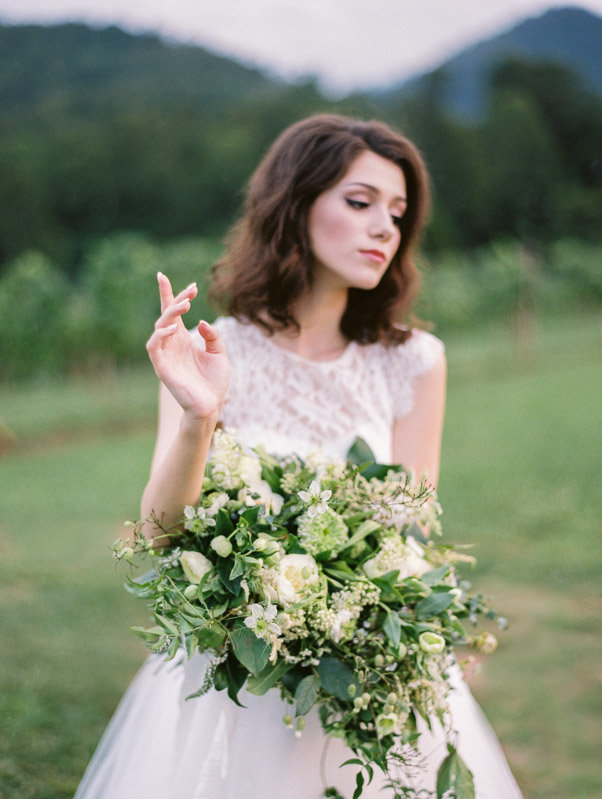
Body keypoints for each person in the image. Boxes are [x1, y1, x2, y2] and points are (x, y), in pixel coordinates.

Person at [75, 115, 522, 798]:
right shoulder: (215, 349)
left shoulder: (415, 362)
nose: (385, 229)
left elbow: (410, 534)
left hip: (366, 672)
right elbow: (164, 531)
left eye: (398, 213)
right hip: (236, 676)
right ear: (296, 203)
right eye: (360, 201)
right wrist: (201, 415)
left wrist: (350, 616)